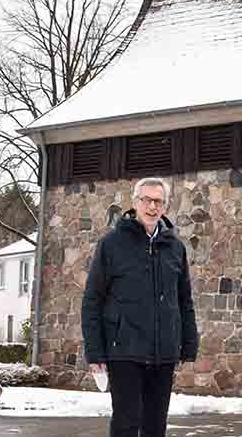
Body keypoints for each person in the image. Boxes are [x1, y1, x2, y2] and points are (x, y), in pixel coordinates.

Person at [82, 178, 199, 437]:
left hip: (163, 352)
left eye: (158, 201)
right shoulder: (111, 244)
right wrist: (95, 352)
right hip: (124, 350)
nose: (152, 206)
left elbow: (184, 300)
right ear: (135, 203)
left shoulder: (175, 248)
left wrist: (189, 342)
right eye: (146, 200)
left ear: (165, 206)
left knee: (155, 426)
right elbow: (92, 300)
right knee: (126, 423)